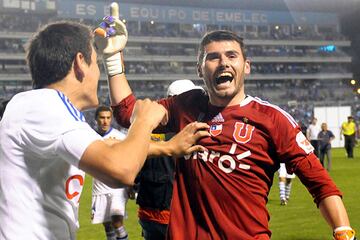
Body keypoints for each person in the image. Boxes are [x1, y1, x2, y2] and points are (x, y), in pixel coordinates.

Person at [95, 4, 356, 239]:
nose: (223, 63)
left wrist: (343, 231)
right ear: (200, 69)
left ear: (247, 66)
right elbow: (128, 113)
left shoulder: (272, 119)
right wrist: (113, 59)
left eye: (232, 56)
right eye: (213, 57)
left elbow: (321, 184)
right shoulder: (185, 105)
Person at [0, 20, 210, 240]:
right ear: (80, 63)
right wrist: (143, 120)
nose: (97, 74)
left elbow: (108, 146)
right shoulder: (46, 106)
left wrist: (166, 147)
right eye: (97, 64)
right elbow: (122, 170)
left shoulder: (41, 107)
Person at [136, 79, 204, 240]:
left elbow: (134, 171)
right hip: (176, 213)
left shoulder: (147, 130)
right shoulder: (190, 136)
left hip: (148, 212)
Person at [91, 106, 129, 240]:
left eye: (108, 118)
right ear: (96, 119)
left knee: (117, 223)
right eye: (102, 117)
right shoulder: (90, 137)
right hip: (98, 187)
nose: (105, 121)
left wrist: (130, 185)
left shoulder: (120, 137)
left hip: (117, 187)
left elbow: (128, 161)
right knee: (107, 225)